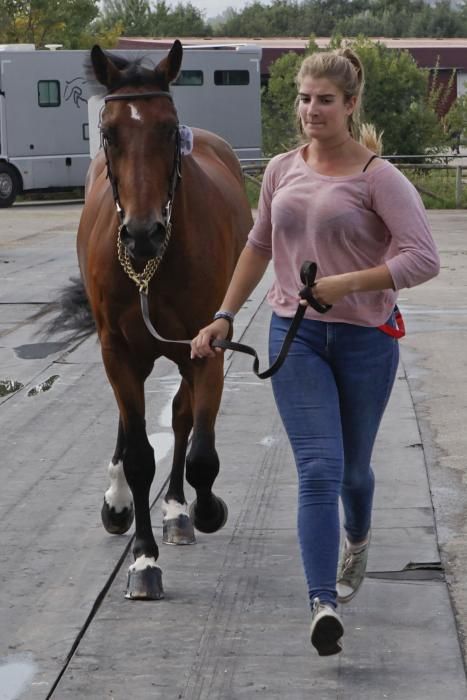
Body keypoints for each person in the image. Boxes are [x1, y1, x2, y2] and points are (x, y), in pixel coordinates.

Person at [190, 47, 440, 657]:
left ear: (350, 106)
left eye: (324, 100)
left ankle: (357, 537)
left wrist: (345, 284)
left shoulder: (378, 177)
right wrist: (224, 315)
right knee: (319, 469)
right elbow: (257, 244)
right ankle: (321, 602)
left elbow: (422, 258)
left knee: (354, 472)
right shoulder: (280, 169)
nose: (311, 110)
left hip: (365, 339)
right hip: (293, 335)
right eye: (304, 99)